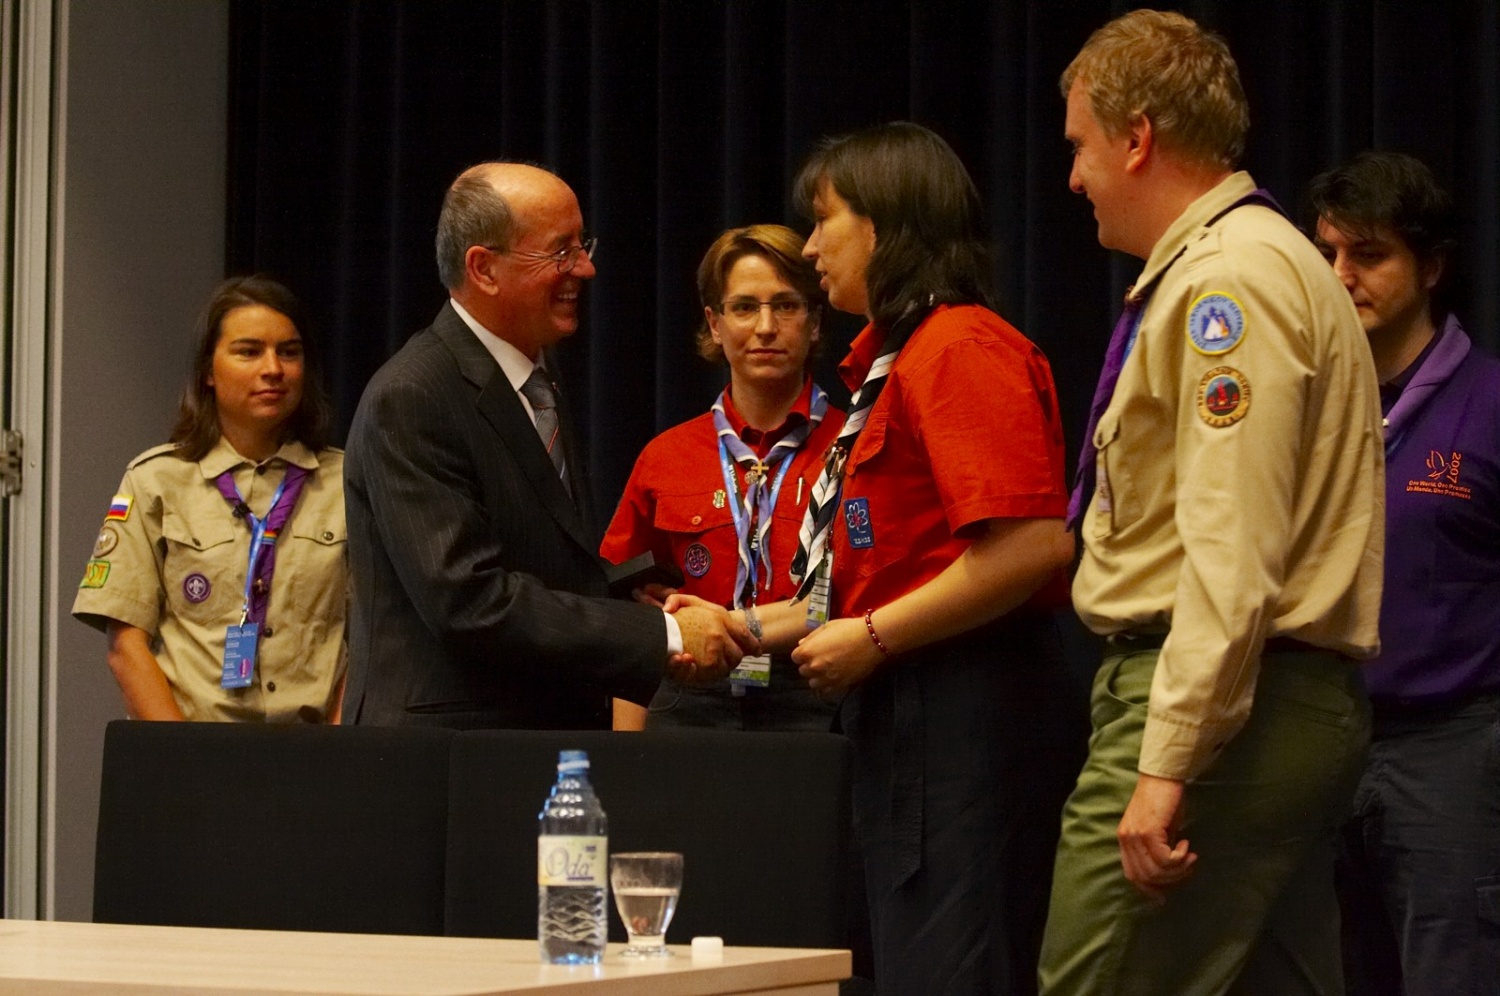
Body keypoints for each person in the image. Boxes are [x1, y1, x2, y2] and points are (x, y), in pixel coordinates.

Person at [667, 122, 1083, 994]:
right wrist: (738, 626)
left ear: (887, 225)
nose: (811, 246)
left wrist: (878, 639)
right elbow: (867, 575)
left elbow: (1033, 544)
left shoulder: (961, 347)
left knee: (948, 964)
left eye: (826, 220)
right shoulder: (891, 362)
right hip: (909, 708)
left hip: (963, 702)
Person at [1038, 11, 1385, 995]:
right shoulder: (1257, 263)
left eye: (1080, 146)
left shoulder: (1231, 281)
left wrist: (1167, 763)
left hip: (1220, 703)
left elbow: (1233, 549)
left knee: (1092, 982)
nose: (1073, 178)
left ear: (1137, 137)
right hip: (1272, 699)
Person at [341, 161, 755, 730]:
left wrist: (632, 597)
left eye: (582, 244)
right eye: (560, 252)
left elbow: (532, 559)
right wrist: (663, 635)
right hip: (448, 763)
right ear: (483, 268)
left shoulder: (539, 377)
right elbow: (469, 604)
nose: (585, 268)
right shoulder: (412, 397)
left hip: (532, 739)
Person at [1308, 151, 1500, 996]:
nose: (1341, 276)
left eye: (1370, 255)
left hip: (1451, 752)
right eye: (1328, 254)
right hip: (1321, 738)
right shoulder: (1301, 404)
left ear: (1431, 267)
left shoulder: (1489, 403)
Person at [600, 225, 844, 732]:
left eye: (786, 305)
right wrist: (624, 753)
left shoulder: (856, 446)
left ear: (815, 322)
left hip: (818, 693)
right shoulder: (665, 457)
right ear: (714, 324)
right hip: (689, 699)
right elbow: (627, 617)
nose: (765, 326)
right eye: (744, 307)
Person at [72, 275, 347, 723]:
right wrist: (184, 763)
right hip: (195, 750)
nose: (273, 368)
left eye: (289, 352)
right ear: (208, 371)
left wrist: (337, 750)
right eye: (249, 351)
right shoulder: (157, 481)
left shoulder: (348, 483)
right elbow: (125, 646)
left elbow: (376, 637)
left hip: (316, 754)